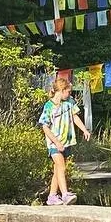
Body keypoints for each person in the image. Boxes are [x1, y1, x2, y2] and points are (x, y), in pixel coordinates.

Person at [39, 76, 90, 206]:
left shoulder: (70, 102)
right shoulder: (49, 106)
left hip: (66, 141)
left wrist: (84, 130)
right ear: (61, 91)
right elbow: (45, 126)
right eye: (68, 92)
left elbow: (75, 117)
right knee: (61, 166)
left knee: (58, 169)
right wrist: (56, 142)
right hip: (54, 143)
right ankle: (65, 194)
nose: (70, 94)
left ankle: (52, 196)